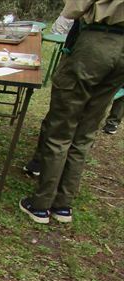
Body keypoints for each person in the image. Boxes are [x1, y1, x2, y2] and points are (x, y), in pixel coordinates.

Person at [19, 0, 124, 224]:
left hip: (97, 43)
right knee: (86, 132)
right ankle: (63, 205)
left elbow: (73, 8)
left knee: (61, 128)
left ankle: (41, 205)